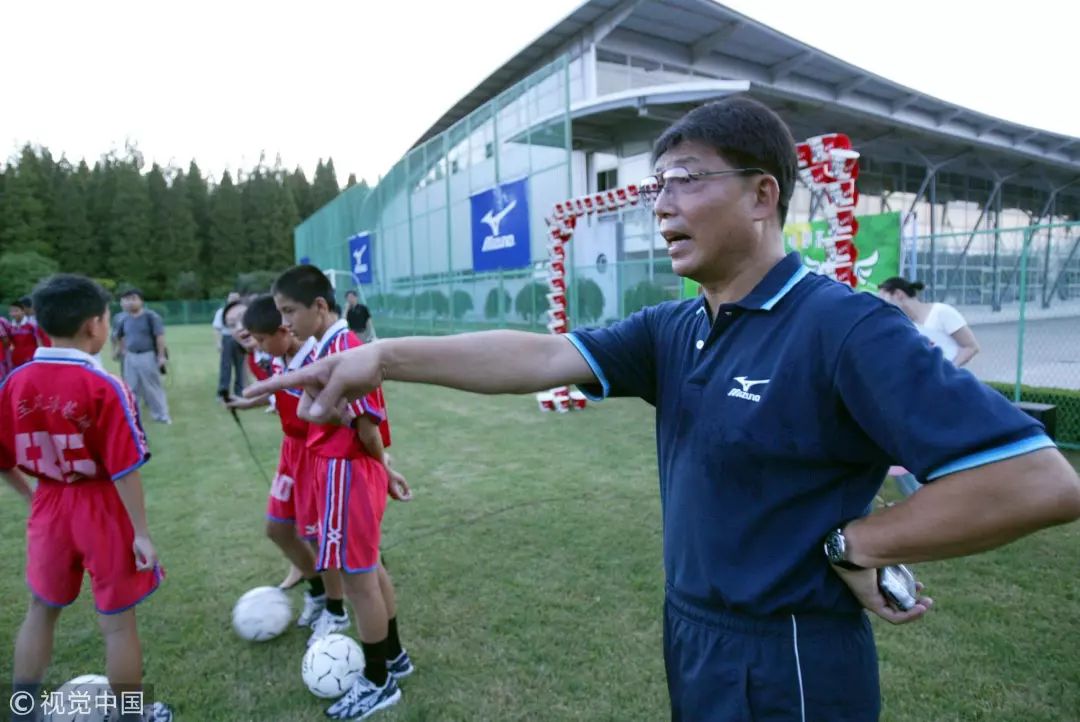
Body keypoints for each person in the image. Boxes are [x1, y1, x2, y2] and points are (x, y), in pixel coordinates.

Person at [248, 98, 1080, 721]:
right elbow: (541, 356)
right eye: (658, 185)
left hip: (788, 653)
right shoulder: (679, 326)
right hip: (693, 632)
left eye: (686, 181)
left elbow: (1037, 481)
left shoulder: (843, 326)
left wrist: (855, 541)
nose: (662, 203)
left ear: (762, 196)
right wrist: (383, 357)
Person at [0, 274, 173, 722]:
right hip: (101, 507)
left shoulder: (14, 383)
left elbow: (3, 458)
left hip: (50, 505)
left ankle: (21, 712)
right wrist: (141, 534)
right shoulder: (104, 385)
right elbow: (123, 468)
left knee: (41, 611)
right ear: (95, 325)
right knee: (117, 624)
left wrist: (33, 495)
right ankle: (132, 715)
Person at [271, 265, 412, 720]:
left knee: (358, 582)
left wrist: (379, 467)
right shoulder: (330, 348)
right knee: (369, 569)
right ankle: (393, 657)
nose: (285, 322)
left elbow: (367, 424)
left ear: (319, 306)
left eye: (289, 311)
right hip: (347, 471)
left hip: (347, 474)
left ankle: (377, 682)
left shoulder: (346, 349)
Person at [224, 294, 351, 635]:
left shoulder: (317, 358)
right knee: (277, 528)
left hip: (315, 453)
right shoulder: (281, 357)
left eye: (264, 340)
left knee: (316, 536)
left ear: (284, 330)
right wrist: (244, 401)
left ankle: (336, 608)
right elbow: (278, 389)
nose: (261, 349)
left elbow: (337, 406)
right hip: (290, 453)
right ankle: (319, 591)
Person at [878, 277, 980, 367]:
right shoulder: (903, 324)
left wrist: (948, 372)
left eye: (884, 301)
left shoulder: (941, 312)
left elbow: (971, 347)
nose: (882, 307)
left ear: (898, 295)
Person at [113, 289, 171, 424]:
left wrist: (161, 356)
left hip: (147, 355)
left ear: (141, 301)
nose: (130, 302)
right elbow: (119, 336)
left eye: (133, 298)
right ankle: (132, 416)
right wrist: (122, 350)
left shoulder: (151, 317)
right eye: (127, 299)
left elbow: (159, 337)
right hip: (130, 357)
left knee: (152, 387)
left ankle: (161, 415)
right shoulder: (124, 319)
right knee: (131, 388)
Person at [213, 291, 246, 399]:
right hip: (227, 338)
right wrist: (218, 343)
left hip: (240, 339)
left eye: (235, 299)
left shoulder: (243, 311)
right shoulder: (221, 312)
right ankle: (223, 392)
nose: (233, 300)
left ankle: (239, 393)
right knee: (225, 366)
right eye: (231, 298)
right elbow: (217, 328)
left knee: (240, 367)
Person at [7, 297, 52, 369]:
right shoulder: (10, 326)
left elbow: (40, 341)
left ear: (23, 311)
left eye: (16, 311)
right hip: (17, 358)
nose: (13, 314)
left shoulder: (32, 324)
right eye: (11, 311)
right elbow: (9, 343)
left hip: (32, 356)